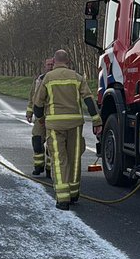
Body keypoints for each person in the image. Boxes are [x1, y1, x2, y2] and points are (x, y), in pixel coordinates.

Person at [33, 50, 102, 210]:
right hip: (75, 125)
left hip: (54, 126)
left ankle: (63, 198)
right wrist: (96, 120)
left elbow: (38, 104)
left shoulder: (48, 78)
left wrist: (41, 119)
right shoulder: (77, 77)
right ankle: (74, 193)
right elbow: (88, 99)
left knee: (59, 160)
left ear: (54, 61)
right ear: (68, 61)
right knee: (74, 158)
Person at [26, 58, 55, 176]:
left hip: (53, 117)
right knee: (37, 141)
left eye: (52, 64)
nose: (50, 66)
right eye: (48, 64)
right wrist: (29, 112)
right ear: (45, 66)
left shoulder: (57, 79)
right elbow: (32, 96)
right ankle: (38, 166)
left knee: (52, 145)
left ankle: (49, 169)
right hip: (40, 117)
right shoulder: (39, 80)